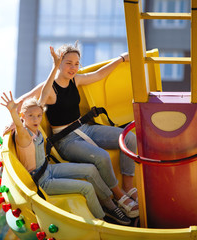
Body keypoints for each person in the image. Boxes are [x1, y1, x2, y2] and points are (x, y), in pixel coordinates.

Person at [10, 43, 139, 218]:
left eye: (76, 64)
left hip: (86, 129)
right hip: (66, 141)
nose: (73, 68)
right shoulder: (49, 87)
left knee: (128, 138)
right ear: (59, 62)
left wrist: (121, 58)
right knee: (102, 157)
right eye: (69, 63)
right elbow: (24, 101)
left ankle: (128, 187)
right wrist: (15, 120)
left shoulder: (75, 80)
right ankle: (119, 196)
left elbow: (99, 75)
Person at [0, 91, 131, 225]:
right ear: (23, 116)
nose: (35, 119)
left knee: (90, 170)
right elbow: (19, 127)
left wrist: (55, 69)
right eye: (31, 116)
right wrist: (13, 113)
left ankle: (111, 205)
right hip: (42, 181)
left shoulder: (36, 129)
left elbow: (44, 95)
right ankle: (103, 220)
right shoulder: (23, 134)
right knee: (87, 187)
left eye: (39, 116)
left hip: (49, 169)